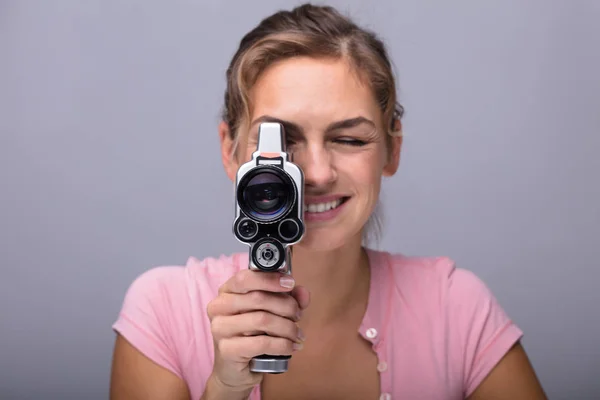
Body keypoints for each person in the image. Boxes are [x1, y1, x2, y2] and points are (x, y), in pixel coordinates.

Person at [109, 3, 547, 400]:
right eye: (282, 141)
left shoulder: (456, 309)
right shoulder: (162, 312)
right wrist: (225, 389)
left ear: (392, 150)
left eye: (349, 138)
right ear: (231, 151)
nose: (316, 173)